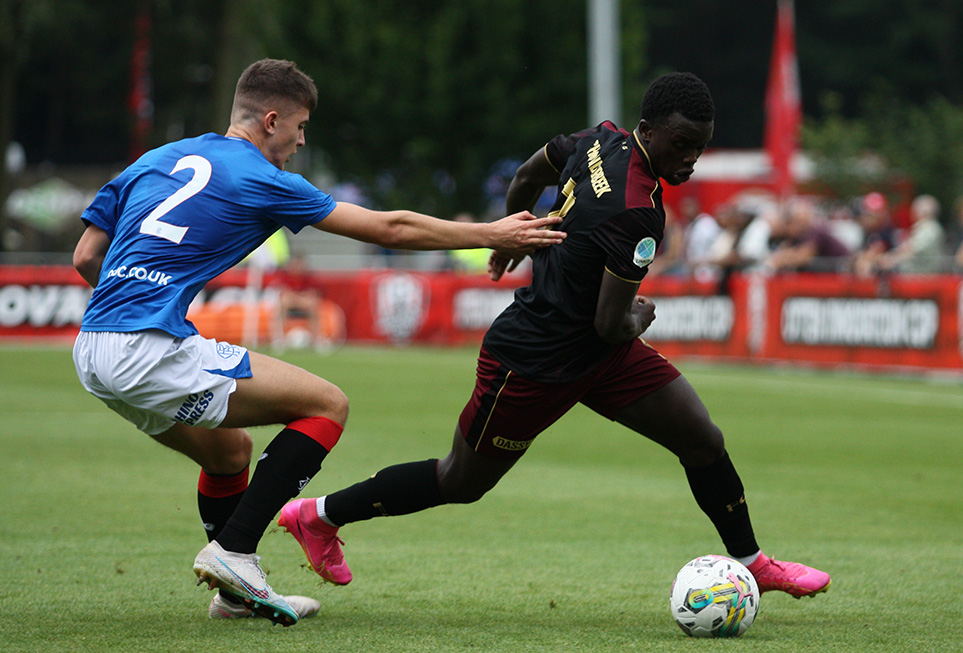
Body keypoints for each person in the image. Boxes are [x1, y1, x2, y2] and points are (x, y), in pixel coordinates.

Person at [278, 72, 831, 604]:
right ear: (651, 128)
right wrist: (643, 315)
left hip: (599, 355)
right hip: (534, 361)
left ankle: (754, 564)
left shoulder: (599, 139)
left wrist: (512, 234)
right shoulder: (637, 211)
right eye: (682, 144)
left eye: (700, 148)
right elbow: (612, 322)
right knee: (461, 480)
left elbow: (525, 177)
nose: (690, 158)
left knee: (703, 441)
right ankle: (318, 516)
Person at [70, 58, 565, 627]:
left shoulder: (156, 159)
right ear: (272, 120)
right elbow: (391, 228)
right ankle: (233, 555)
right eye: (300, 128)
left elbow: (87, 256)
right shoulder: (263, 178)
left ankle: (235, 595)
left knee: (230, 453)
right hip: (148, 349)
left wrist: (135, 304)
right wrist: (490, 233)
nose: (302, 142)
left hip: (94, 349)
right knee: (327, 404)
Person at [878, 194, 947, 274]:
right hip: (921, 276)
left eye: (914, 210)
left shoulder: (929, 228)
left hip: (923, 277)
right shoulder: (928, 227)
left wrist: (891, 259)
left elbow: (912, 249)